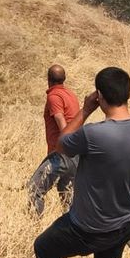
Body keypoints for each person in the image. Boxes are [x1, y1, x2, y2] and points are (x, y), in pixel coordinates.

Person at [33, 66, 130, 258]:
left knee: (43, 248)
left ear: (99, 96)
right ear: (128, 93)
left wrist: (85, 110)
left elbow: (61, 144)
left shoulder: (92, 134)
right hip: (124, 224)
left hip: (87, 229)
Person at [27, 64, 81, 215]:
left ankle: (33, 228)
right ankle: (71, 232)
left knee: (34, 188)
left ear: (48, 79)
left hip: (61, 154)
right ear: (64, 79)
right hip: (74, 155)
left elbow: (62, 124)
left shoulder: (54, 96)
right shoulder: (70, 95)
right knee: (67, 197)